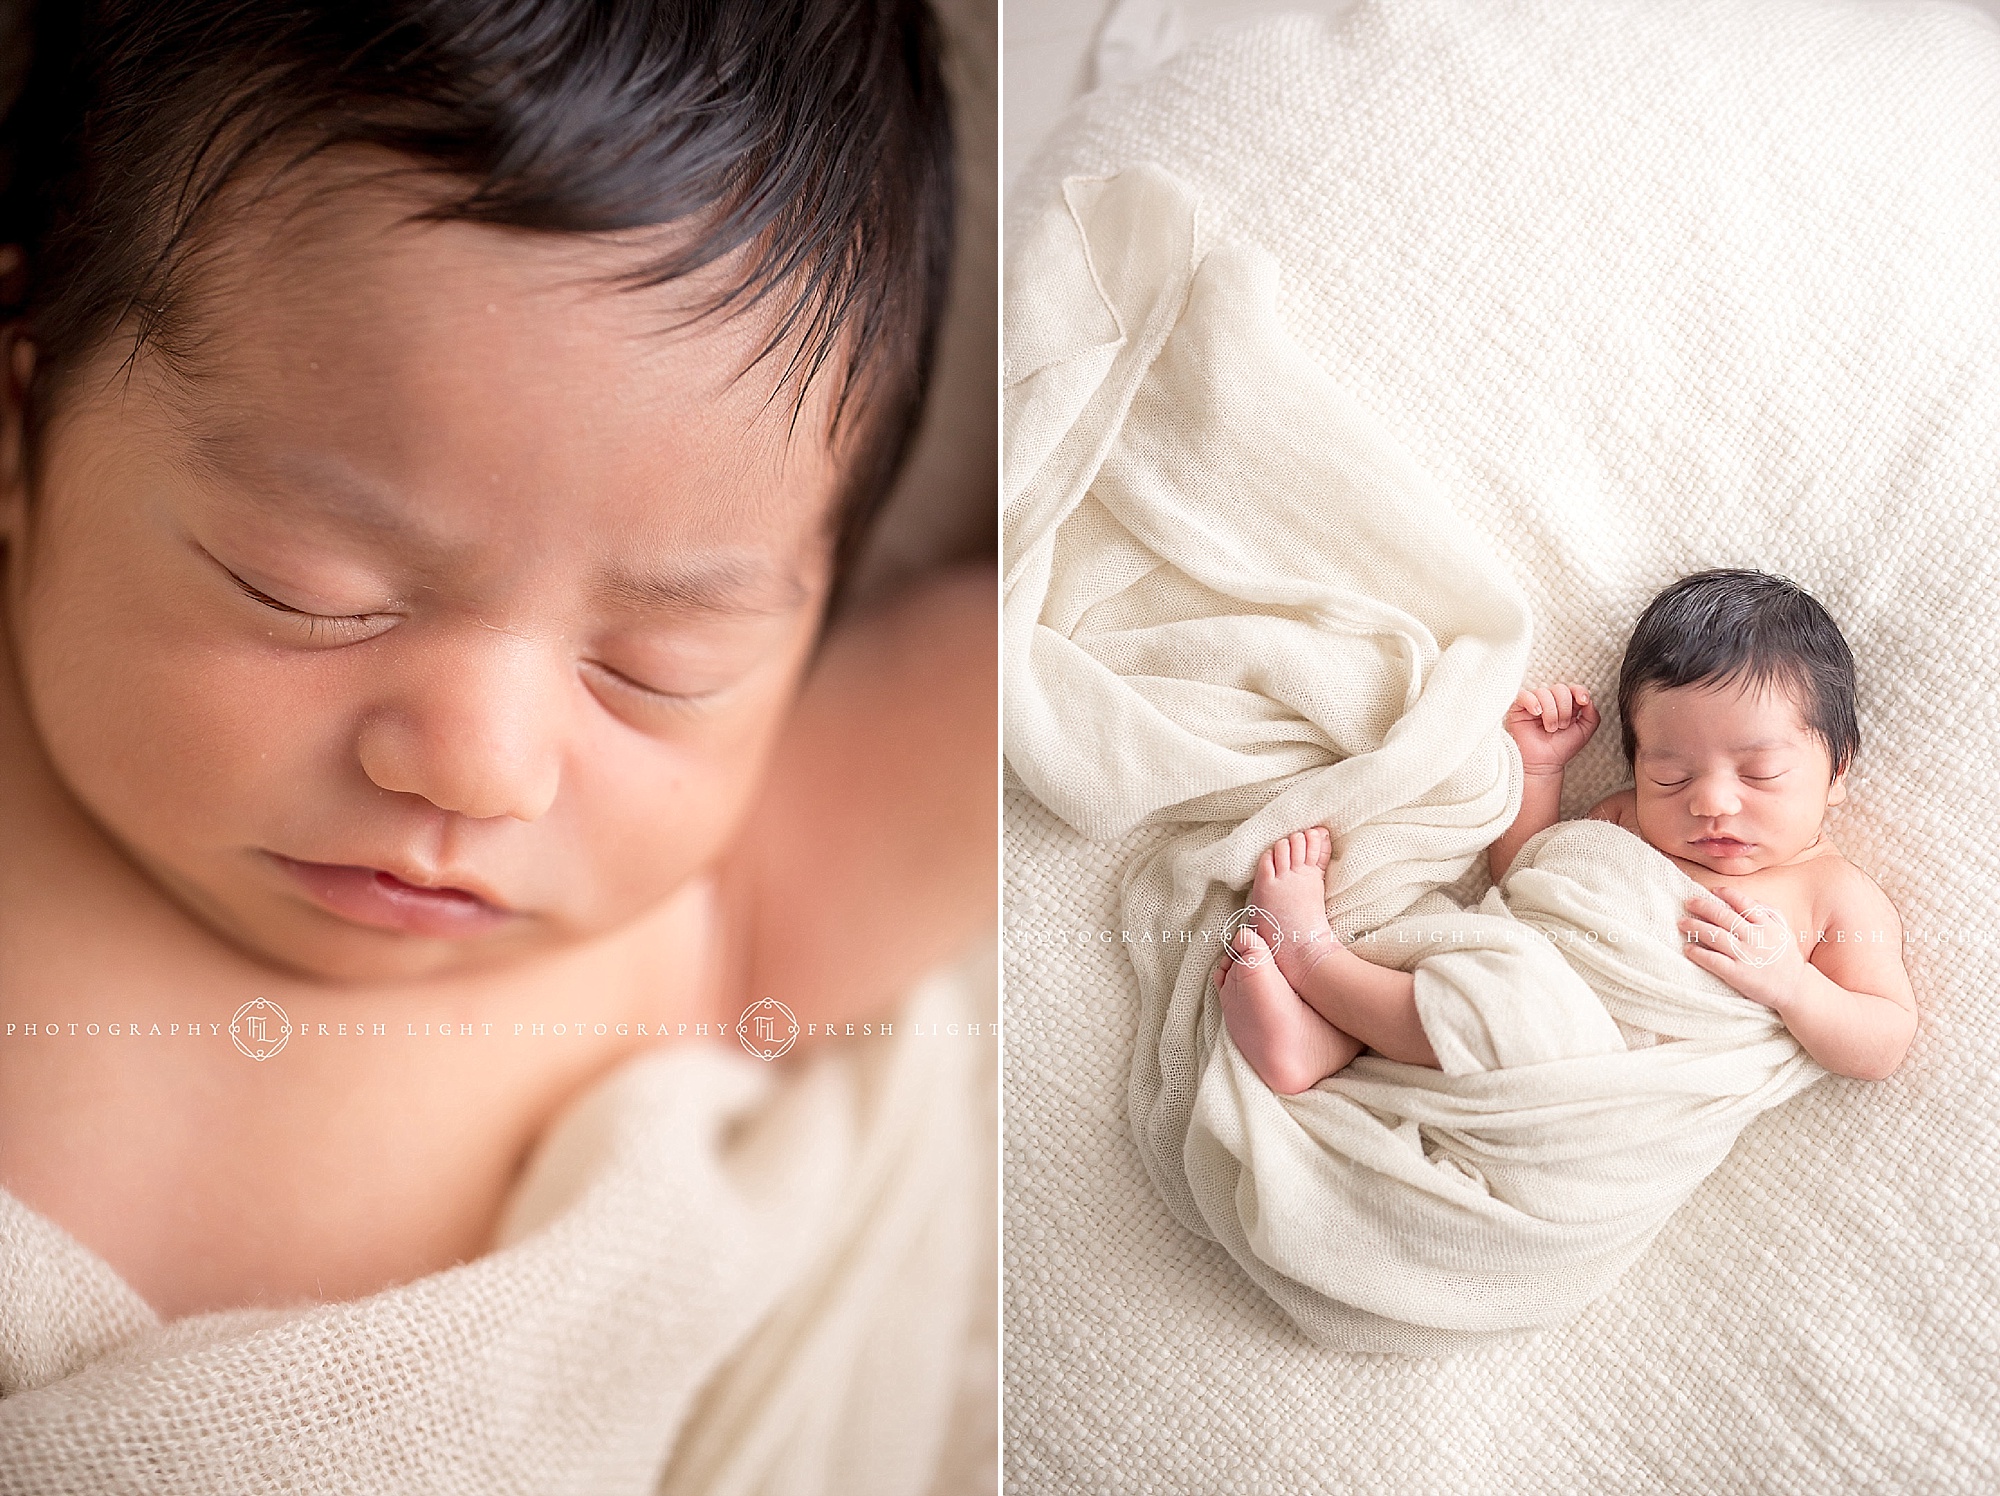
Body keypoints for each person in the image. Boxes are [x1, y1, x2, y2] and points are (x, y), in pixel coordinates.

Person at [0, 0, 993, 1326]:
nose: (482, 767)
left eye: (657, 668)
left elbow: (1074, 641)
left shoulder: (719, 916)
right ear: (18, 425)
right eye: (314, 592)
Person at [1218, 568, 1915, 1093]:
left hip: (1604, 1073)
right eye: (1669, 775)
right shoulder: (1627, 821)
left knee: (1505, 1015)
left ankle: (1313, 960)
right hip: (1522, 991)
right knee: (1472, 972)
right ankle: (1323, 1041)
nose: (1711, 803)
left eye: (1760, 773)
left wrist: (1793, 986)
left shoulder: (1834, 896)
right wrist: (1540, 771)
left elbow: (1883, 1040)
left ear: (1837, 770)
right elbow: (1528, 880)